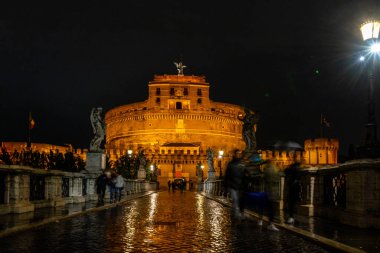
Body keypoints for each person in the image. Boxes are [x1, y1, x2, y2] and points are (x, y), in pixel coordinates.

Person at [224, 149, 246, 221]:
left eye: (239, 153)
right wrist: (226, 186)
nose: (238, 155)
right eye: (237, 153)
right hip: (232, 185)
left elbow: (246, 173)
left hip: (240, 185)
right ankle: (236, 216)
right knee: (235, 200)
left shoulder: (243, 164)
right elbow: (227, 175)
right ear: (234, 154)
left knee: (240, 200)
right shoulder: (231, 164)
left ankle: (235, 214)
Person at [260, 159, 280, 231]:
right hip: (274, 191)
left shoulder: (267, 170)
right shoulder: (275, 169)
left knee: (268, 207)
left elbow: (263, 178)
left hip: (268, 191)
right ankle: (270, 223)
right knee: (271, 208)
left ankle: (266, 222)